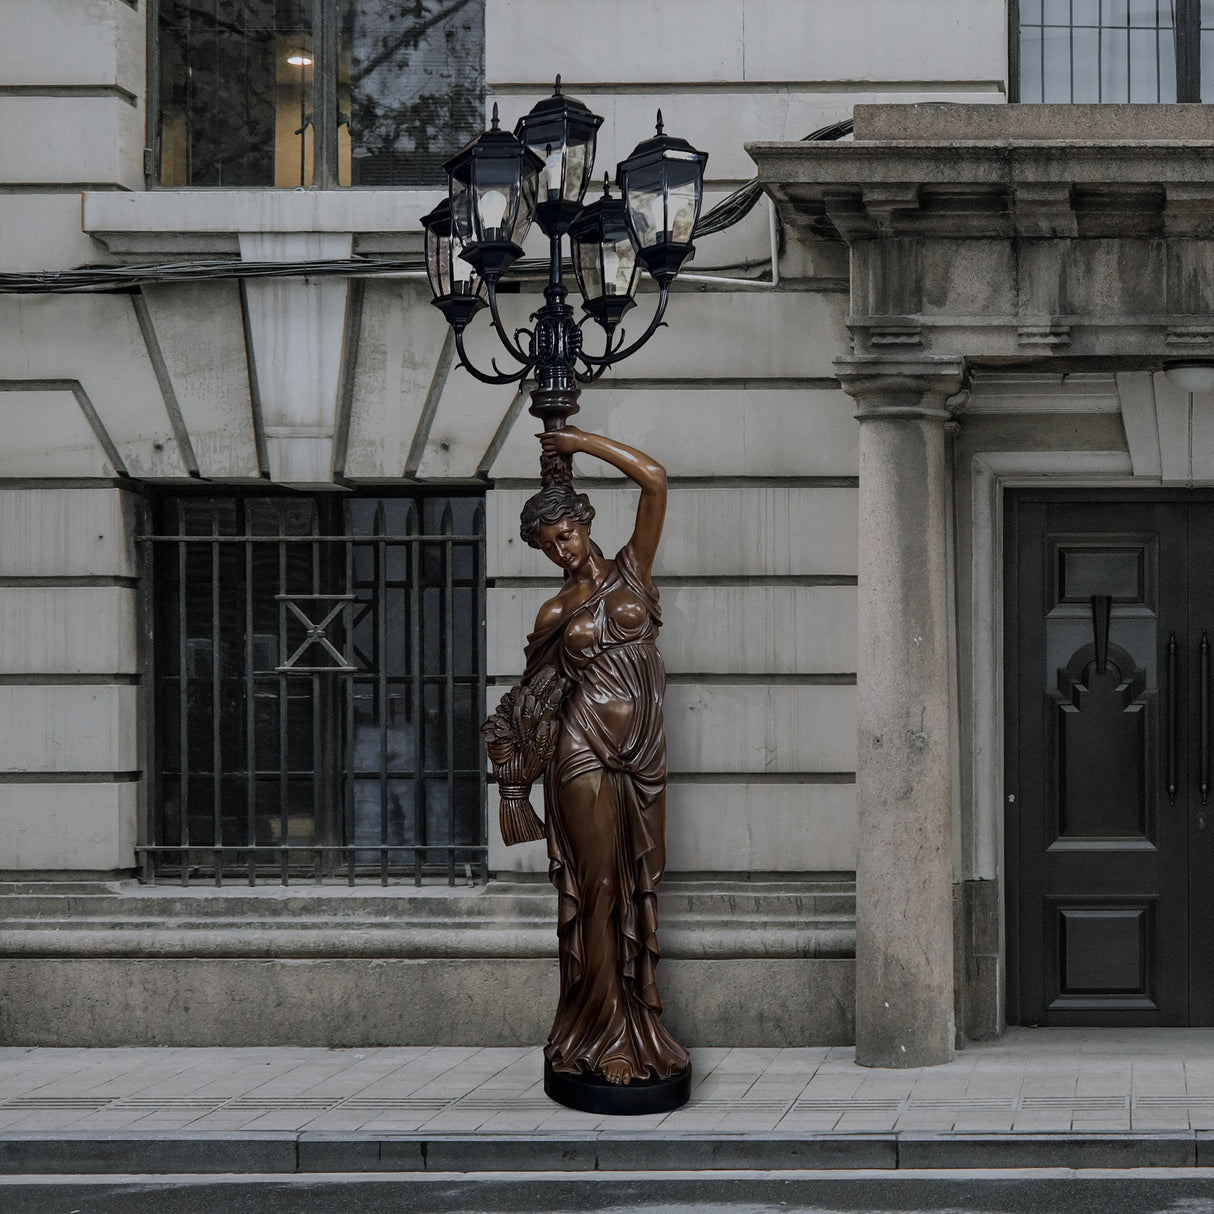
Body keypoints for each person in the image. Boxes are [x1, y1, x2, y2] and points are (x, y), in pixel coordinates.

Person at [518, 425, 689, 1087]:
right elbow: (534, 699)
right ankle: (605, 1035)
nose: (562, 548)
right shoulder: (554, 610)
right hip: (581, 752)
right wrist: (515, 785)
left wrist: (579, 443)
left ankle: (638, 1028)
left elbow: (654, 478)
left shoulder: (632, 570)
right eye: (548, 544)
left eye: (566, 533)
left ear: (585, 524)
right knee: (600, 892)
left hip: (642, 758)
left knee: (640, 885)